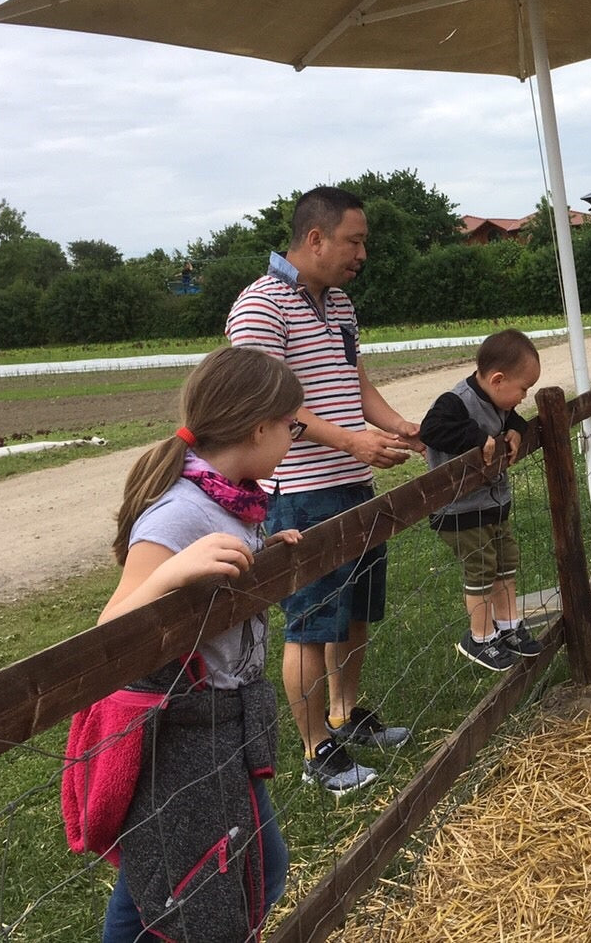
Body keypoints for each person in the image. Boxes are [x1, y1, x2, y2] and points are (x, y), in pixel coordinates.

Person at [83, 346, 305, 942]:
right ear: (259, 427)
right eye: (293, 426)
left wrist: (261, 557)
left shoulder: (234, 498)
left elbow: (220, 570)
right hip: (178, 737)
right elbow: (109, 633)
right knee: (175, 887)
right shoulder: (180, 512)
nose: (295, 437)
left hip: (221, 729)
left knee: (234, 872)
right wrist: (167, 576)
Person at [226, 185, 421, 796]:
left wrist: (396, 426)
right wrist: (352, 442)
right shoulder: (258, 307)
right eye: (353, 241)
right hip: (299, 491)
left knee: (355, 612)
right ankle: (316, 750)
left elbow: (353, 378)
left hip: (352, 485)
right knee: (310, 623)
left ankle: (344, 713)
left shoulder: (338, 304)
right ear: (315, 239)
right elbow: (267, 405)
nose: (361, 253)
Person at [419, 328, 545, 671]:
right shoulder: (455, 402)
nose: (523, 397)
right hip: (460, 509)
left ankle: (507, 627)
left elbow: (510, 416)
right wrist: (477, 437)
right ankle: (480, 637)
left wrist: (518, 428)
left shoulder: (498, 401)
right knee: (481, 569)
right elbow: (431, 429)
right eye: (523, 389)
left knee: (506, 561)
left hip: (491, 505)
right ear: (498, 379)